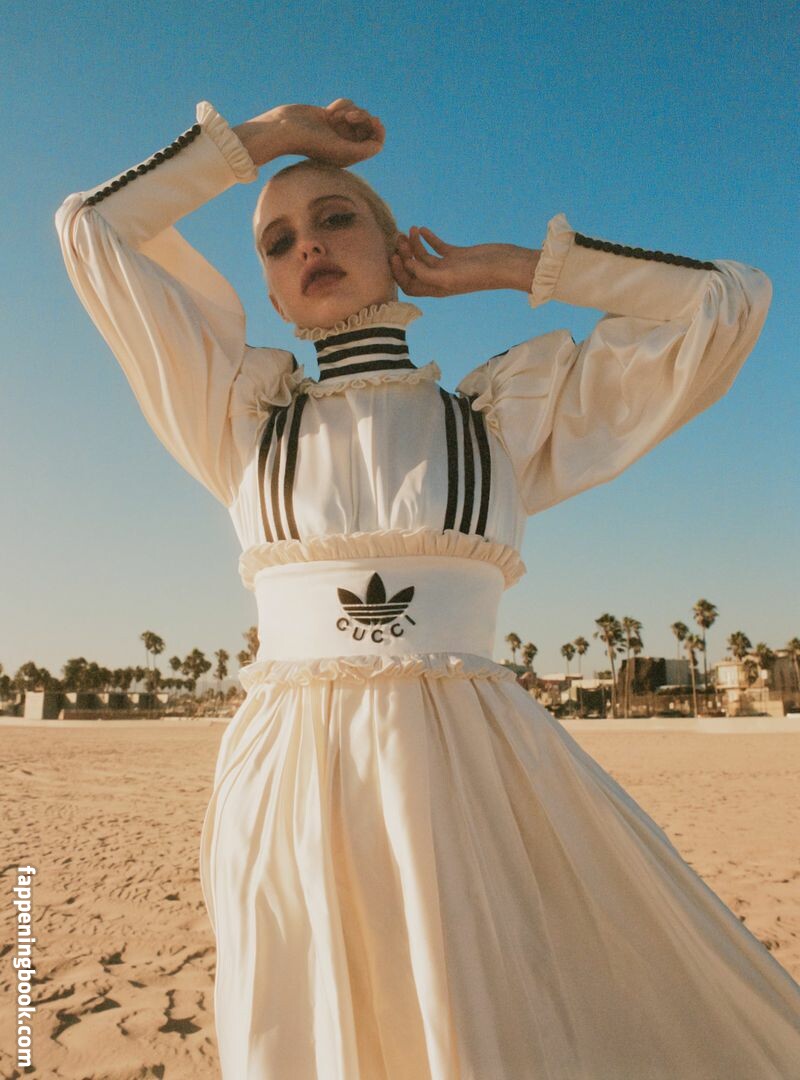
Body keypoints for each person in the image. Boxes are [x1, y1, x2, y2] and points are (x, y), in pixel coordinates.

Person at [56, 98, 800, 1079]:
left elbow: (727, 302)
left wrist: (514, 269)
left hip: (481, 780)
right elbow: (92, 229)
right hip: (291, 788)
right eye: (277, 241)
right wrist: (273, 136)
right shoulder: (236, 419)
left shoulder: (500, 419)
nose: (308, 245)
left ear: (393, 245)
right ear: (270, 291)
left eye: (335, 218)